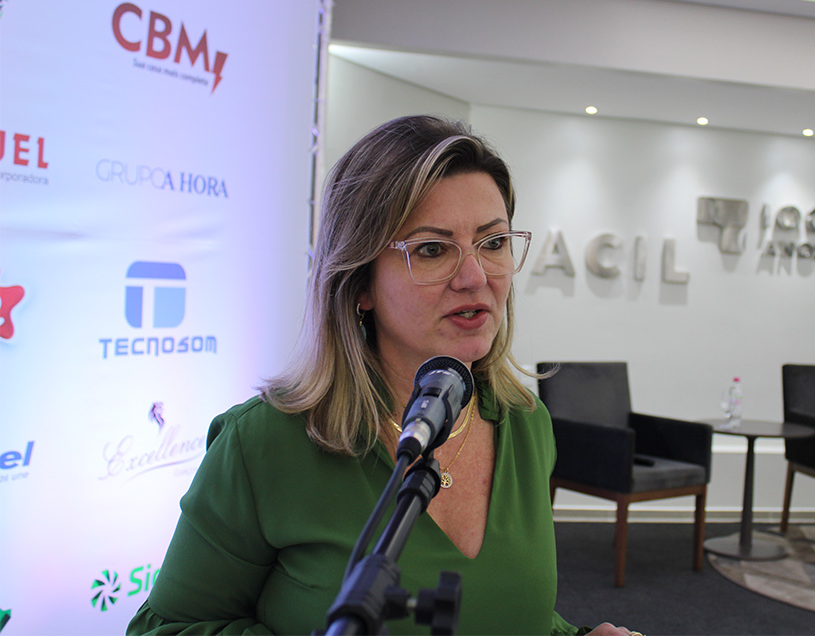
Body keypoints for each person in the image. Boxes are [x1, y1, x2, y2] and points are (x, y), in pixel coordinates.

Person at [127, 115, 640, 636]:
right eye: (432, 249)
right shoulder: (263, 444)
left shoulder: (526, 423)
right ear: (360, 283)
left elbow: (507, 612)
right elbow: (163, 630)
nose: (475, 277)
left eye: (493, 243)